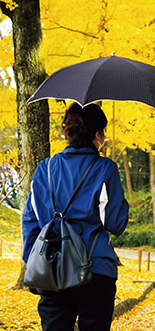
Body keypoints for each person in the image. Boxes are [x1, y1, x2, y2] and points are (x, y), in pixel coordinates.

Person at [22, 103, 129, 331]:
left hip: (51, 268)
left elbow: (30, 221)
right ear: (98, 134)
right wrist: (121, 201)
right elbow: (116, 222)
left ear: (66, 131)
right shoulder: (105, 168)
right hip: (95, 269)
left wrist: (30, 261)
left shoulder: (45, 168)